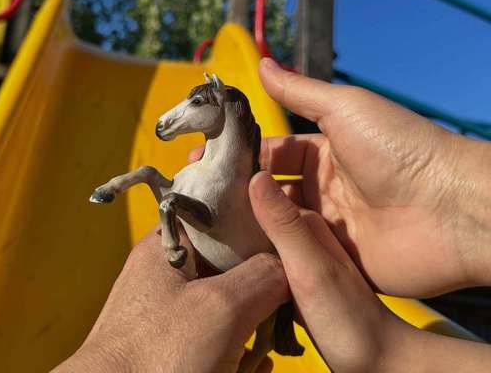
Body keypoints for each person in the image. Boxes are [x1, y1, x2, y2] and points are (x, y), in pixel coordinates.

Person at [54, 58, 491, 372]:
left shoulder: (234, 179)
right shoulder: (200, 170)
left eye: (196, 106)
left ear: (219, 107)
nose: (176, 119)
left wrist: (381, 355)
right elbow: (165, 184)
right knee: (156, 179)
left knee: (172, 203)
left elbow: (185, 206)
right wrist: (453, 195)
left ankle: (270, 338)